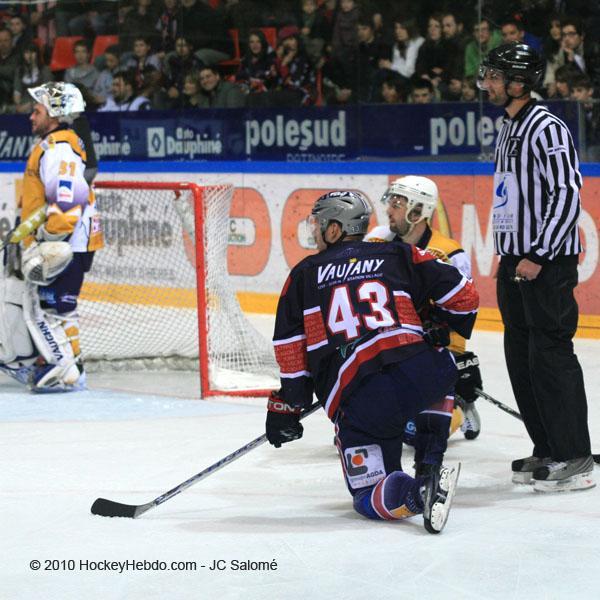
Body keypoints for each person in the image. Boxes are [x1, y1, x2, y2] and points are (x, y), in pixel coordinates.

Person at [266, 190, 479, 533]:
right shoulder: (399, 253)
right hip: (420, 371)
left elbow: (291, 349)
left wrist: (289, 405)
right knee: (437, 371)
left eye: (319, 224)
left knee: (369, 494)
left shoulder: (304, 274)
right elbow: (464, 294)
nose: (315, 231)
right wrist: (442, 326)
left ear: (334, 230)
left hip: (361, 399)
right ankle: (430, 465)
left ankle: (416, 494)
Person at [477, 42, 595, 492]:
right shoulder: (509, 127)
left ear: (519, 82)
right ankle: (547, 446)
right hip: (516, 260)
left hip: (546, 263)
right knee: (520, 357)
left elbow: (566, 194)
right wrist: (506, 253)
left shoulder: (547, 127)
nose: (486, 83)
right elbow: (510, 197)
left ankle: (576, 456)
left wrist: (539, 255)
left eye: (494, 76)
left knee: (549, 354)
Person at [364, 177, 484, 466]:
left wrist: (453, 351)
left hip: (431, 349)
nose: (389, 210)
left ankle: (457, 404)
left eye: (397, 204)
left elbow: (463, 310)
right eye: (390, 202)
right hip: (389, 343)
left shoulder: (449, 252)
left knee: (416, 432)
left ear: (418, 211)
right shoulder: (377, 240)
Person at [0, 82, 103, 392]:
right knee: (58, 308)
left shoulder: (59, 147)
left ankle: (66, 370)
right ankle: (68, 366)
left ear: (55, 113)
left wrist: (47, 238)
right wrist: (24, 235)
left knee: (48, 310)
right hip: (68, 240)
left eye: (37, 111)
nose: (31, 117)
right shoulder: (55, 144)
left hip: (66, 243)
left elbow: (67, 199)